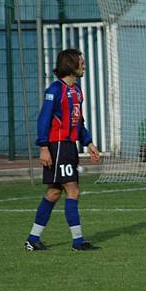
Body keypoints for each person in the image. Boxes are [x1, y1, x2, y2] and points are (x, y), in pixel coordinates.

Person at [25, 49, 100, 252]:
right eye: (81, 63)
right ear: (71, 65)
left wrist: (89, 143)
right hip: (58, 146)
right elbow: (44, 119)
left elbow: (78, 122)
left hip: (69, 147)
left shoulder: (76, 91)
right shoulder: (55, 90)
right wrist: (43, 147)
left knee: (54, 192)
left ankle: (33, 239)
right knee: (72, 190)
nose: (83, 65)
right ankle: (78, 242)